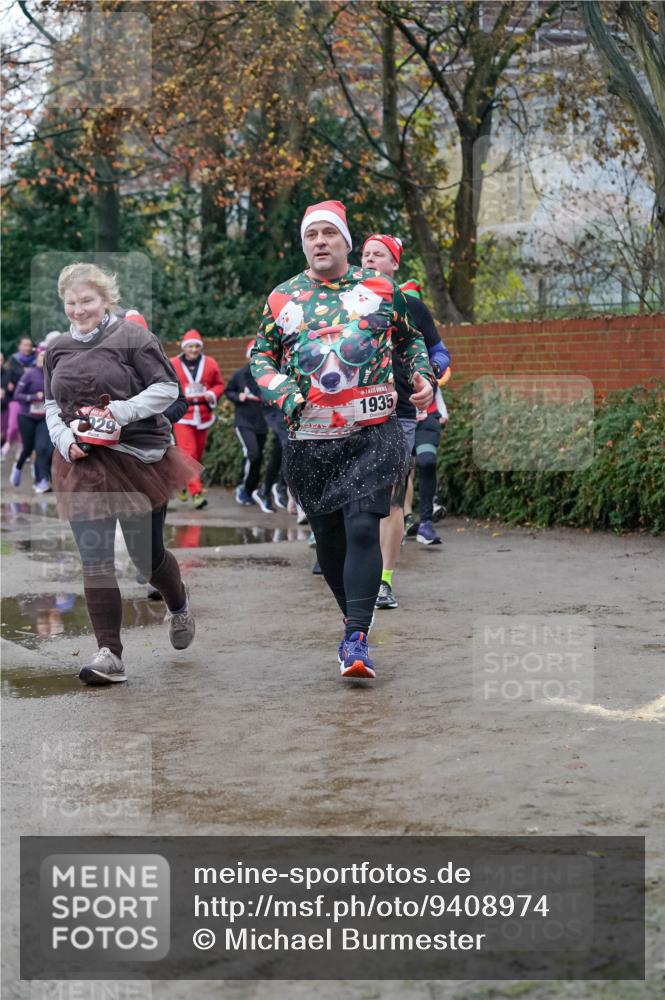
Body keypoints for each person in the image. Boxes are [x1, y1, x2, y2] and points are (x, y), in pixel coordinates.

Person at [251, 200, 436, 679]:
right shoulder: (282, 298)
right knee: (330, 541)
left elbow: (410, 339)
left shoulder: (378, 290)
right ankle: (350, 616)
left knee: (361, 527)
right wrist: (286, 392)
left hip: (374, 429)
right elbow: (260, 358)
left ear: (345, 242)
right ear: (304, 244)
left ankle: (356, 638)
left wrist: (422, 377)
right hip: (311, 439)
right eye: (311, 235)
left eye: (329, 234)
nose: (320, 242)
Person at [44, 262, 198, 686]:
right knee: (95, 561)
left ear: (106, 298)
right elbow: (52, 405)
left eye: (87, 301)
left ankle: (179, 604)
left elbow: (167, 388)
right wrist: (64, 440)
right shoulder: (57, 347)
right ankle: (109, 653)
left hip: (137, 458)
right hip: (82, 462)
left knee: (144, 556)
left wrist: (119, 413)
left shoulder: (133, 337)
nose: (79, 310)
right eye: (71, 303)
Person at [359, 240, 450, 609]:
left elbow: (439, 352)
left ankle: (384, 581)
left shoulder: (411, 308)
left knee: (392, 500)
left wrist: (429, 377)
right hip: (351, 414)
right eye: (364, 255)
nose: (369, 260)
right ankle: (348, 567)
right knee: (355, 499)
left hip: (400, 413)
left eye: (377, 255)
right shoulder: (346, 307)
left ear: (394, 264)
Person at [170, 329, 225, 509]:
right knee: (189, 454)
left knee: (197, 456)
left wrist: (211, 393)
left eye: (196, 346)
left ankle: (180, 482)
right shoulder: (173, 364)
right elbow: (165, 384)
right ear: (184, 348)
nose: (193, 350)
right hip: (183, 416)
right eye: (190, 346)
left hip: (203, 415)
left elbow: (219, 384)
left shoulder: (210, 363)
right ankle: (197, 493)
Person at [225, 342, 275, 511]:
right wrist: (237, 396)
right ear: (248, 356)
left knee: (257, 456)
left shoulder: (269, 376)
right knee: (253, 453)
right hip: (244, 422)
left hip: (262, 422)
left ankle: (250, 487)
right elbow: (228, 391)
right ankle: (244, 490)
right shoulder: (240, 375)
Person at [10, 346, 54, 493]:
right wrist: (34, 397)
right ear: (36, 360)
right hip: (27, 417)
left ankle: (43, 480)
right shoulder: (29, 374)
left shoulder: (52, 374)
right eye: (40, 358)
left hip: (43, 418)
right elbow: (17, 395)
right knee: (28, 449)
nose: (42, 360)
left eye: (45, 358)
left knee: (42, 448)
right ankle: (17, 468)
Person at [2, 336, 36, 460]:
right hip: (15, 398)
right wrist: (8, 383)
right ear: (19, 346)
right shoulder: (13, 359)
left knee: (24, 427)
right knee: (13, 426)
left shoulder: (35, 359)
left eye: (29, 345)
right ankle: (8, 443)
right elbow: (7, 375)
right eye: (25, 345)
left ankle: (22, 450)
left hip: (31, 399)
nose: (27, 348)